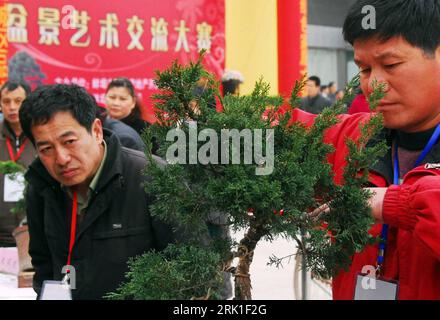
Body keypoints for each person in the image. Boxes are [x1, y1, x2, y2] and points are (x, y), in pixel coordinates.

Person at [288, 0, 440, 299]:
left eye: (391, 65)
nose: (374, 85)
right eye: (365, 69)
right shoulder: (353, 137)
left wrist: (393, 204)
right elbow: (281, 134)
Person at [19, 84, 177, 299]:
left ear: (96, 130)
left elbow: (193, 268)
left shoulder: (153, 178)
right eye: (46, 149)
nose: (62, 158)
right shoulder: (41, 185)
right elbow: (44, 265)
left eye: (69, 142)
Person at [0, 80, 36, 247]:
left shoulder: (40, 136)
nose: (12, 107)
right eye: (6, 101)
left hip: (34, 232)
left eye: (18, 101)